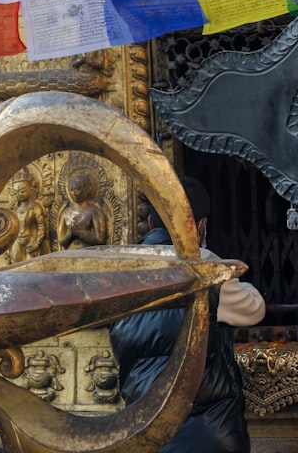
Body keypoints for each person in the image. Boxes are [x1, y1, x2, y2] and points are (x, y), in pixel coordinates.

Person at [108, 176, 265, 453]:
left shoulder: (122, 272)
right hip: (209, 435)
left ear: (152, 224)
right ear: (202, 226)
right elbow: (254, 309)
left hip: (146, 433)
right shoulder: (207, 268)